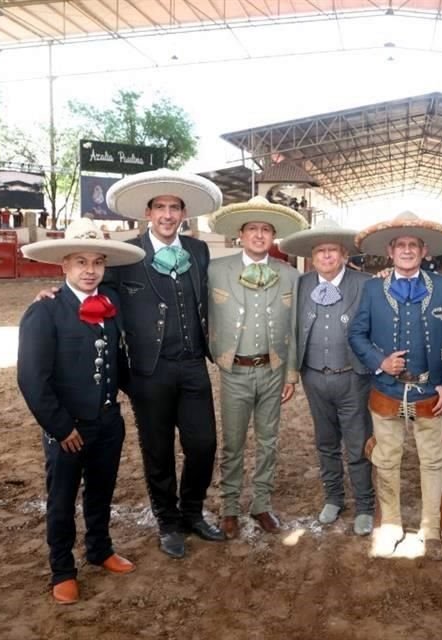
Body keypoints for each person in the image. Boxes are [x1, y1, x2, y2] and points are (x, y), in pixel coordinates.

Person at [17, 218, 146, 604]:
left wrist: (145, 395)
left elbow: (116, 363)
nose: (90, 271)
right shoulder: (45, 310)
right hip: (68, 429)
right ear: (64, 266)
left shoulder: (108, 304)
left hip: (107, 422)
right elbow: (32, 379)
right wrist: (60, 427)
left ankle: (99, 549)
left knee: (102, 490)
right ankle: (62, 569)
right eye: (80, 262)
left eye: (97, 262)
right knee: (62, 498)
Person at [104, 169, 226, 559]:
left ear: (183, 213)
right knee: (157, 451)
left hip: (193, 364)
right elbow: (95, 297)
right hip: (148, 370)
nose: (168, 215)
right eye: (161, 208)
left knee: (203, 445)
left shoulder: (199, 250)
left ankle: (192, 512)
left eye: (175, 208)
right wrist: (55, 294)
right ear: (148, 213)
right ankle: (167, 521)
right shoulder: (125, 255)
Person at [349, 212, 442, 561]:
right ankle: (392, 525)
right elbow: (356, 334)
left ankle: (429, 528)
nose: (407, 250)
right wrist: (379, 361)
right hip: (386, 390)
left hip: (431, 393)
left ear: (424, 250)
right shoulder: (372, 287)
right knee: (386, 460)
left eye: (413, 245)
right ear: (390, 250)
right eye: (401, 245)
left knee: (431, 460)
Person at [207, 196, 307, 538]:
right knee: (233, 442)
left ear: (274, 236)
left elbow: (293, 327)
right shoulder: (216, 270)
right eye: (253, 229)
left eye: (266, 229)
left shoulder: (290, 275)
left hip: (273, 371)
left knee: (269, 442)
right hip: (233, 371)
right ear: (241, 233)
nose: (259, 235)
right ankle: (230, 507)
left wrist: (291, 373)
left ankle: (262, 504)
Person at [279, 219, 375, 536]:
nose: (327, 257)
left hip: (353, 378)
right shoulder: (302, 284)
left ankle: (364, 505)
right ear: (312, 256)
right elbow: (291, 329)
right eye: (321, 251)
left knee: (358, 443)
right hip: (314, 377)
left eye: (333, 251)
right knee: (325, 442)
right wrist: (292, 372)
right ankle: (334, 498)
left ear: (344, 254)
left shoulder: (365, 283)